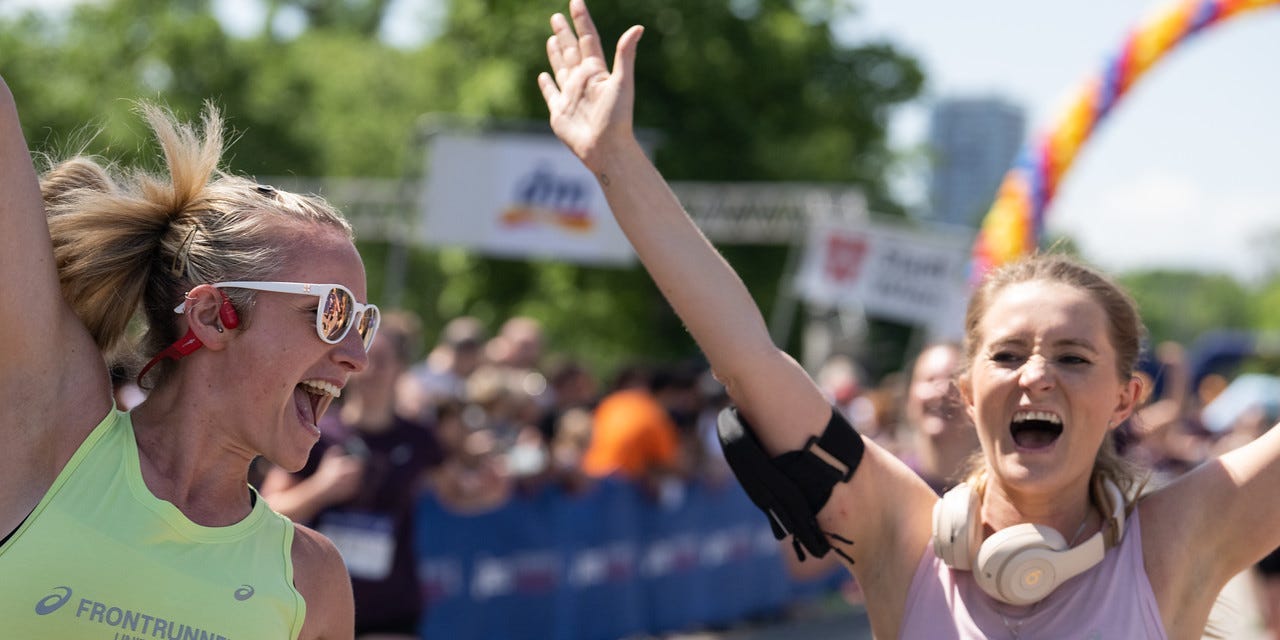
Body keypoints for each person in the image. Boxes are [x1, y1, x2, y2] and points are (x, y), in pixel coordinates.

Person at [536, 3, 1280, 637]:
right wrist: (617, 163)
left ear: (1126, 397)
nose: (1036, 375)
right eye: (1007, 354)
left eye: (1073, 357)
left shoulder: (1180, 539)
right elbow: (748, 357)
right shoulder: (904, 538)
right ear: (966, 391)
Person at [1, 75, 377, 638]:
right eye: (332, 312)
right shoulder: (53, 439)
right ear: (212, 316)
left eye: (364, 323)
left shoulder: (312, 581)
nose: (356, 356)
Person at [260, 311, 442, 638]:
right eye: (364, 358)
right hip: (314, 604)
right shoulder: (316, 431)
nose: (369, 370)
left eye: (381, 360)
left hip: (391, 610)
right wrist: (322, 489)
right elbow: (267, 512)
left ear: (401, 368)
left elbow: (460, 492)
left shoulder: (420, 439)